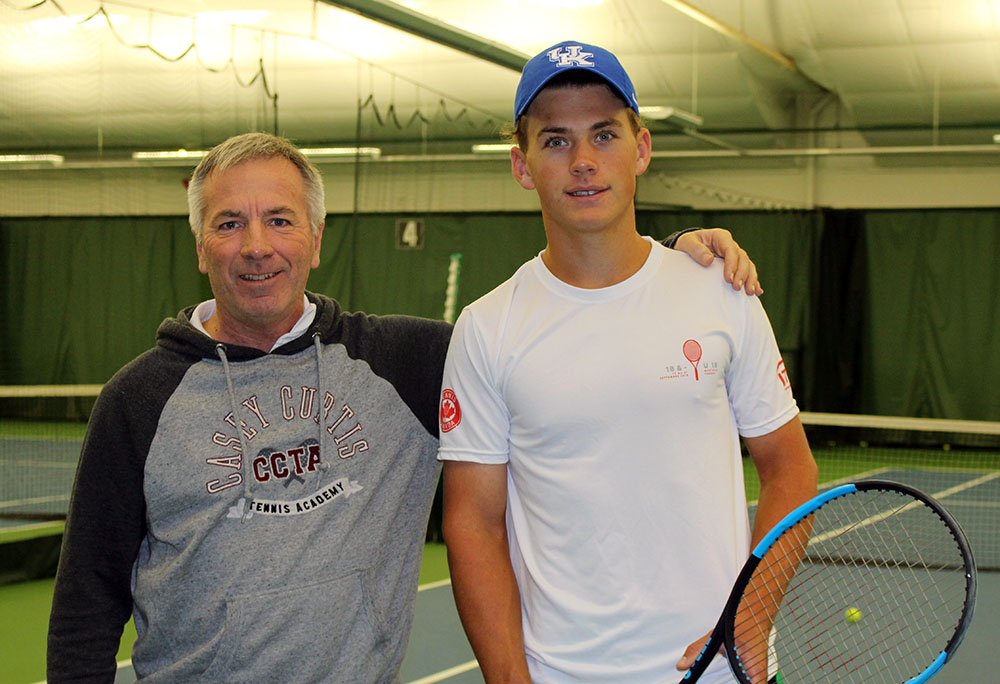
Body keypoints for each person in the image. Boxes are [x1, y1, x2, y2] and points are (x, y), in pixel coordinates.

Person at [46, 131, 762, 683]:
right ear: (201, 245)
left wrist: (666, 266)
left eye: (280, 221)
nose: (256, 247)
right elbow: (86, 604)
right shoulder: (137, 401)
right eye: (229, 223)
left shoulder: (402, 363)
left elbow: (548, 337)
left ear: (317, 239)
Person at [438, 41, 818, 684]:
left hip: (723, 672)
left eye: (604, 135)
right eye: (555, 140)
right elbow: (473, 524)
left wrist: (748, 621)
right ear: (522, 165)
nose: (584, 162)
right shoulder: (485, 328)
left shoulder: (722, 292)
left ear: (641, 148)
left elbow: (791, 470)